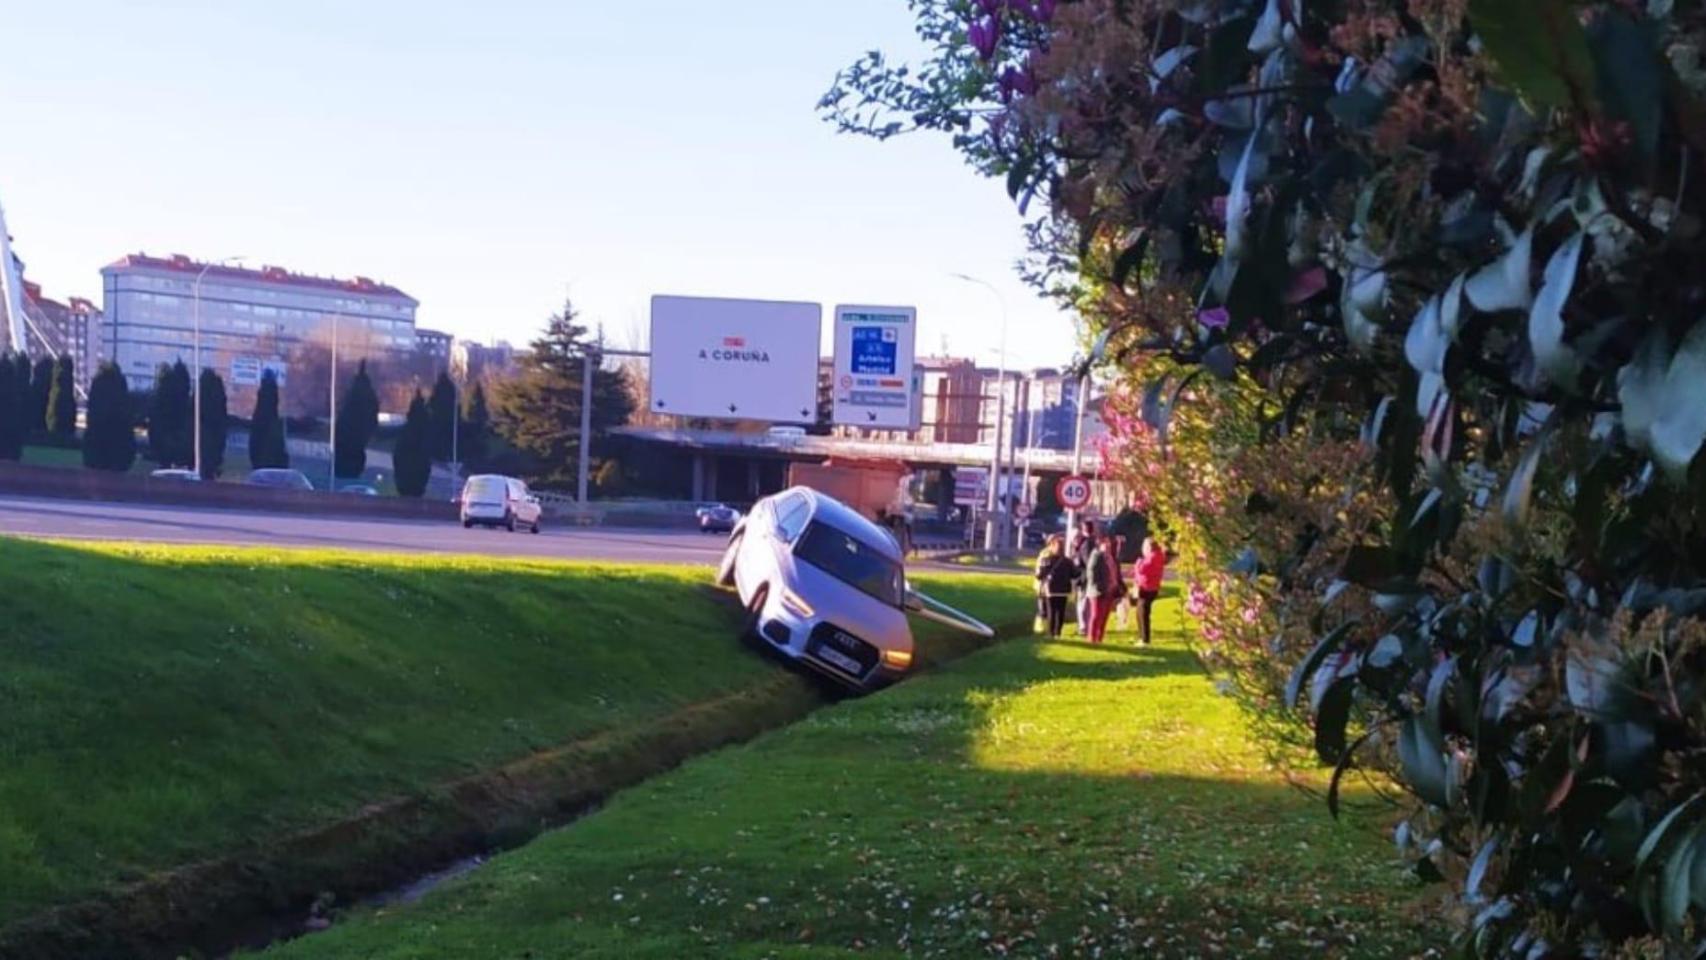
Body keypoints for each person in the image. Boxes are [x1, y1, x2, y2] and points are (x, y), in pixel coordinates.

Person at [1034, 534, 1077, 638]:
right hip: (1064, 590)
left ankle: (1051, 633)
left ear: (1053, 546)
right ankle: (1058, 632)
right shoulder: (1068, 561)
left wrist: (1039, 575)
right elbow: (1075, 574)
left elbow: (1040, 575)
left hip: (1051, 589)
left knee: (1051, 611)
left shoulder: (1047, 559)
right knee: (1061, 611)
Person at [1085, 533, 1125, 644]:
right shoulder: (1096, 555)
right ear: (1099, 544)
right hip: (1097, 591)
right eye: (1104, 542)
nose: (1107, 545)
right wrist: (1099, 587)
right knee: (1096, 615)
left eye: (1108, 542)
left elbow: (1116, 572)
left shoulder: (1111, 557)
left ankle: (1099, 638)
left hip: (1110, 590)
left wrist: (1118, 586)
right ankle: (1091, 638)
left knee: (1105, 615)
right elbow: (1091, 573)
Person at [1133, 536, 1168, 646]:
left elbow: (1142, 569)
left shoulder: (1153, 557)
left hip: (1147, 588)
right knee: (1140, 612)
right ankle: (1141, 637)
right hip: (1149, 587)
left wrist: (1138, 561)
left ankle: (1145, 639)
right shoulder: (1156, 556)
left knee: (1143, 613)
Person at [1071, 519, 1098, 635]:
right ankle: (1085, 625)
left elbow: (1088, 563)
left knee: (1083, 602)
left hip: (1084, 578)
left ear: (1084, 529)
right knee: (1085, 602)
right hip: (1087, 577)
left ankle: (1083, 627)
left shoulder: (1087, 544)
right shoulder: (1092, 542)